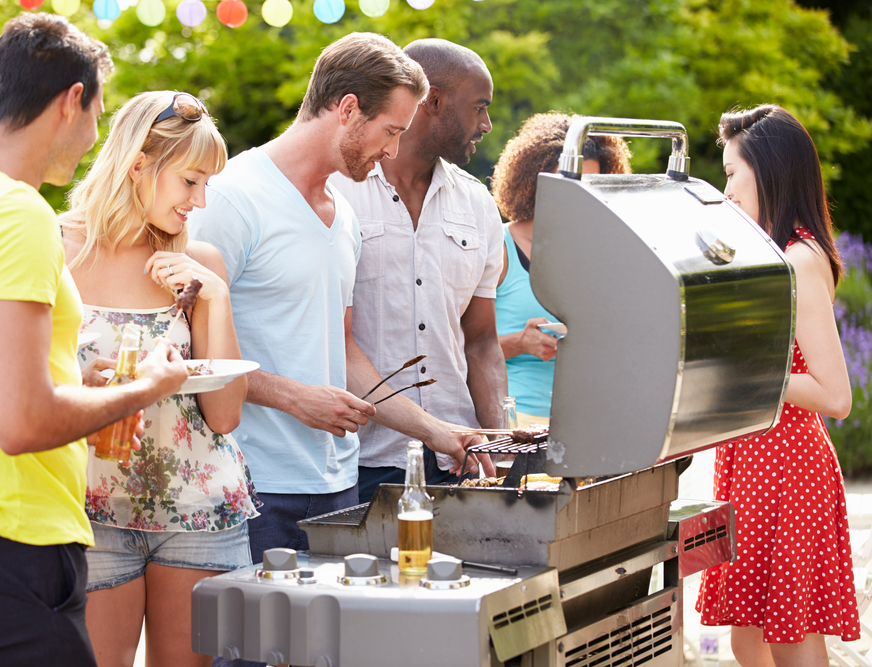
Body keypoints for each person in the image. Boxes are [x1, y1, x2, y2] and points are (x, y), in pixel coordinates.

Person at [0, 14, 188, 666]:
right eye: (96, 115)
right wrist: (142, 388)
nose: (93, 138)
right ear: (71, 100)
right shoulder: (16, 212)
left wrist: (85, 385)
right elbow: (20, 420)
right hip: (8, 535)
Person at [190, 32, 475, 572]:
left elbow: (344, 352)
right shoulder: (230, 197)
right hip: (252, 486)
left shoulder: (343, 215)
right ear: (347, 110)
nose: (392, 150)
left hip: (338, 490)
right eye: (390, 131)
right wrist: (294, 397)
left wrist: (439, 433)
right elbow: (185, 356)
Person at [61, 90, 260, 667]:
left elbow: (224, 416)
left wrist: (215, 297)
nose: (199, 202)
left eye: (206, 186)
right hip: (91, 505)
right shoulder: (55, 249)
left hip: (197, 507)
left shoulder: (201, 263)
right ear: (139, 166)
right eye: (190, 182)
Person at [695, 105, 858, 667]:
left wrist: (749, 371)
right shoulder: (776, 251)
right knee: (749, 640)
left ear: (767, 171)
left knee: (789, 640)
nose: (727, 187)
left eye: (732, 172)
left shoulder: (799, 258)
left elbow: (836, 397)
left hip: (786, 468)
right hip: (753, 464)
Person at [326, 38, 504, 502]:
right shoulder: (336, 194)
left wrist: (500, 447)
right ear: (435, 102)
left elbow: (482, 340)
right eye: (479, 107)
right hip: (358, 462)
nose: (486, 124)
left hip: (457, 462)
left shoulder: (479, 205)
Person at [490, 112, 631, 424]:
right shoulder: (498, 247)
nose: (576, 195)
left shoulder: (597, 254)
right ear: (531, 180)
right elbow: (456, 348)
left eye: (588, 185)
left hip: (585, 421)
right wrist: (519, 342)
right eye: (566, 182)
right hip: (517, 423)